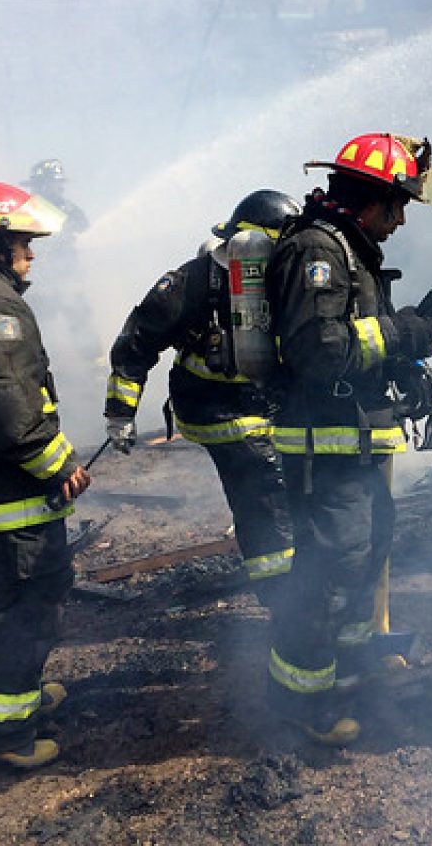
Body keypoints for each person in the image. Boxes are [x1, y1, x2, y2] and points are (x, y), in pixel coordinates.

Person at [265, 132, 432, 746]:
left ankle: (347, 673)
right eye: (398, 206)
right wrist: (402, 335)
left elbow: (358, 341)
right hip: (323, 443)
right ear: (374, 200)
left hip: (356, 440)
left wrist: (407, 365)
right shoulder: (319, 249)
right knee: (329, 572)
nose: (399, 221)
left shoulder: (351, 248)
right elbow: (320, 350)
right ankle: (303, 699)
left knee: (364, 556)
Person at [103, 190, 302, 605]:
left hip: (264, 404)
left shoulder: (283, 279)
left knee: (288, 482)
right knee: (266, 489)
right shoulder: (193, 280)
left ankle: (293, 580)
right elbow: (138, 341)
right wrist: (121, 414)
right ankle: (283, 595)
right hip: (214, 407)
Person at [0, 182, 91, 769]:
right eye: (22, 243)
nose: (31, 255)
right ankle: (3, 734)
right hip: (5, 493)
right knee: (25, 601)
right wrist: (58, 461)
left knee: (0, 598)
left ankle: (16, 699)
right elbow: (11, 408)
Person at [24, 160, 88, 238]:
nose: (34, 189)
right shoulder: (24, 209)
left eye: (37, 184)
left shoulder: (72, 213)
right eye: (34, 185)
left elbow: (85, 237)